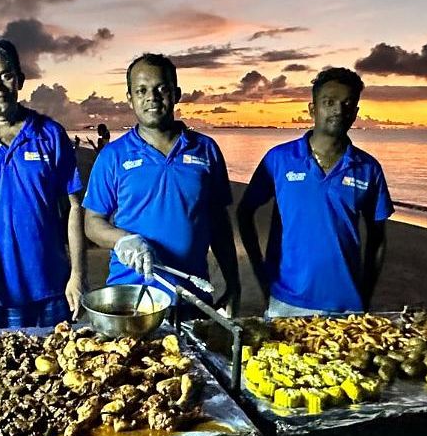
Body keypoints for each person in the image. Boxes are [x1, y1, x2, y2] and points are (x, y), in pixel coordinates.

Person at [82, 53, 240, 313]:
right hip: (132, 299)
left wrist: (233, 284)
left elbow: (219, 224)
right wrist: (122, 240)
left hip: (193, 298)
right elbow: (92, 222)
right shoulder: (113, 155)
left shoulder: (206, 149)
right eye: (141, 90)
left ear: (176, 94)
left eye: (161, 89)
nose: (151, 97)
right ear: (130, 98)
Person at [236, 67, 393, 317]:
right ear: (312, 109)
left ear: (355, 113)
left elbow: (378, 238)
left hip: (347, 306)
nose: (338, 110)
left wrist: (365, 294)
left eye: (347, 103)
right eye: (329, 102)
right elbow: (245, 213)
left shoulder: (368, 168)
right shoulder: (279, 159)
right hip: (286, 301)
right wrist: (261, 272)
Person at [0, 38, 86, 328]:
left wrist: (77, 276)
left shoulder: (50, 134)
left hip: (51, 287)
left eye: (6, 76)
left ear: (20, 80)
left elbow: (75, 207)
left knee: (54, 369)